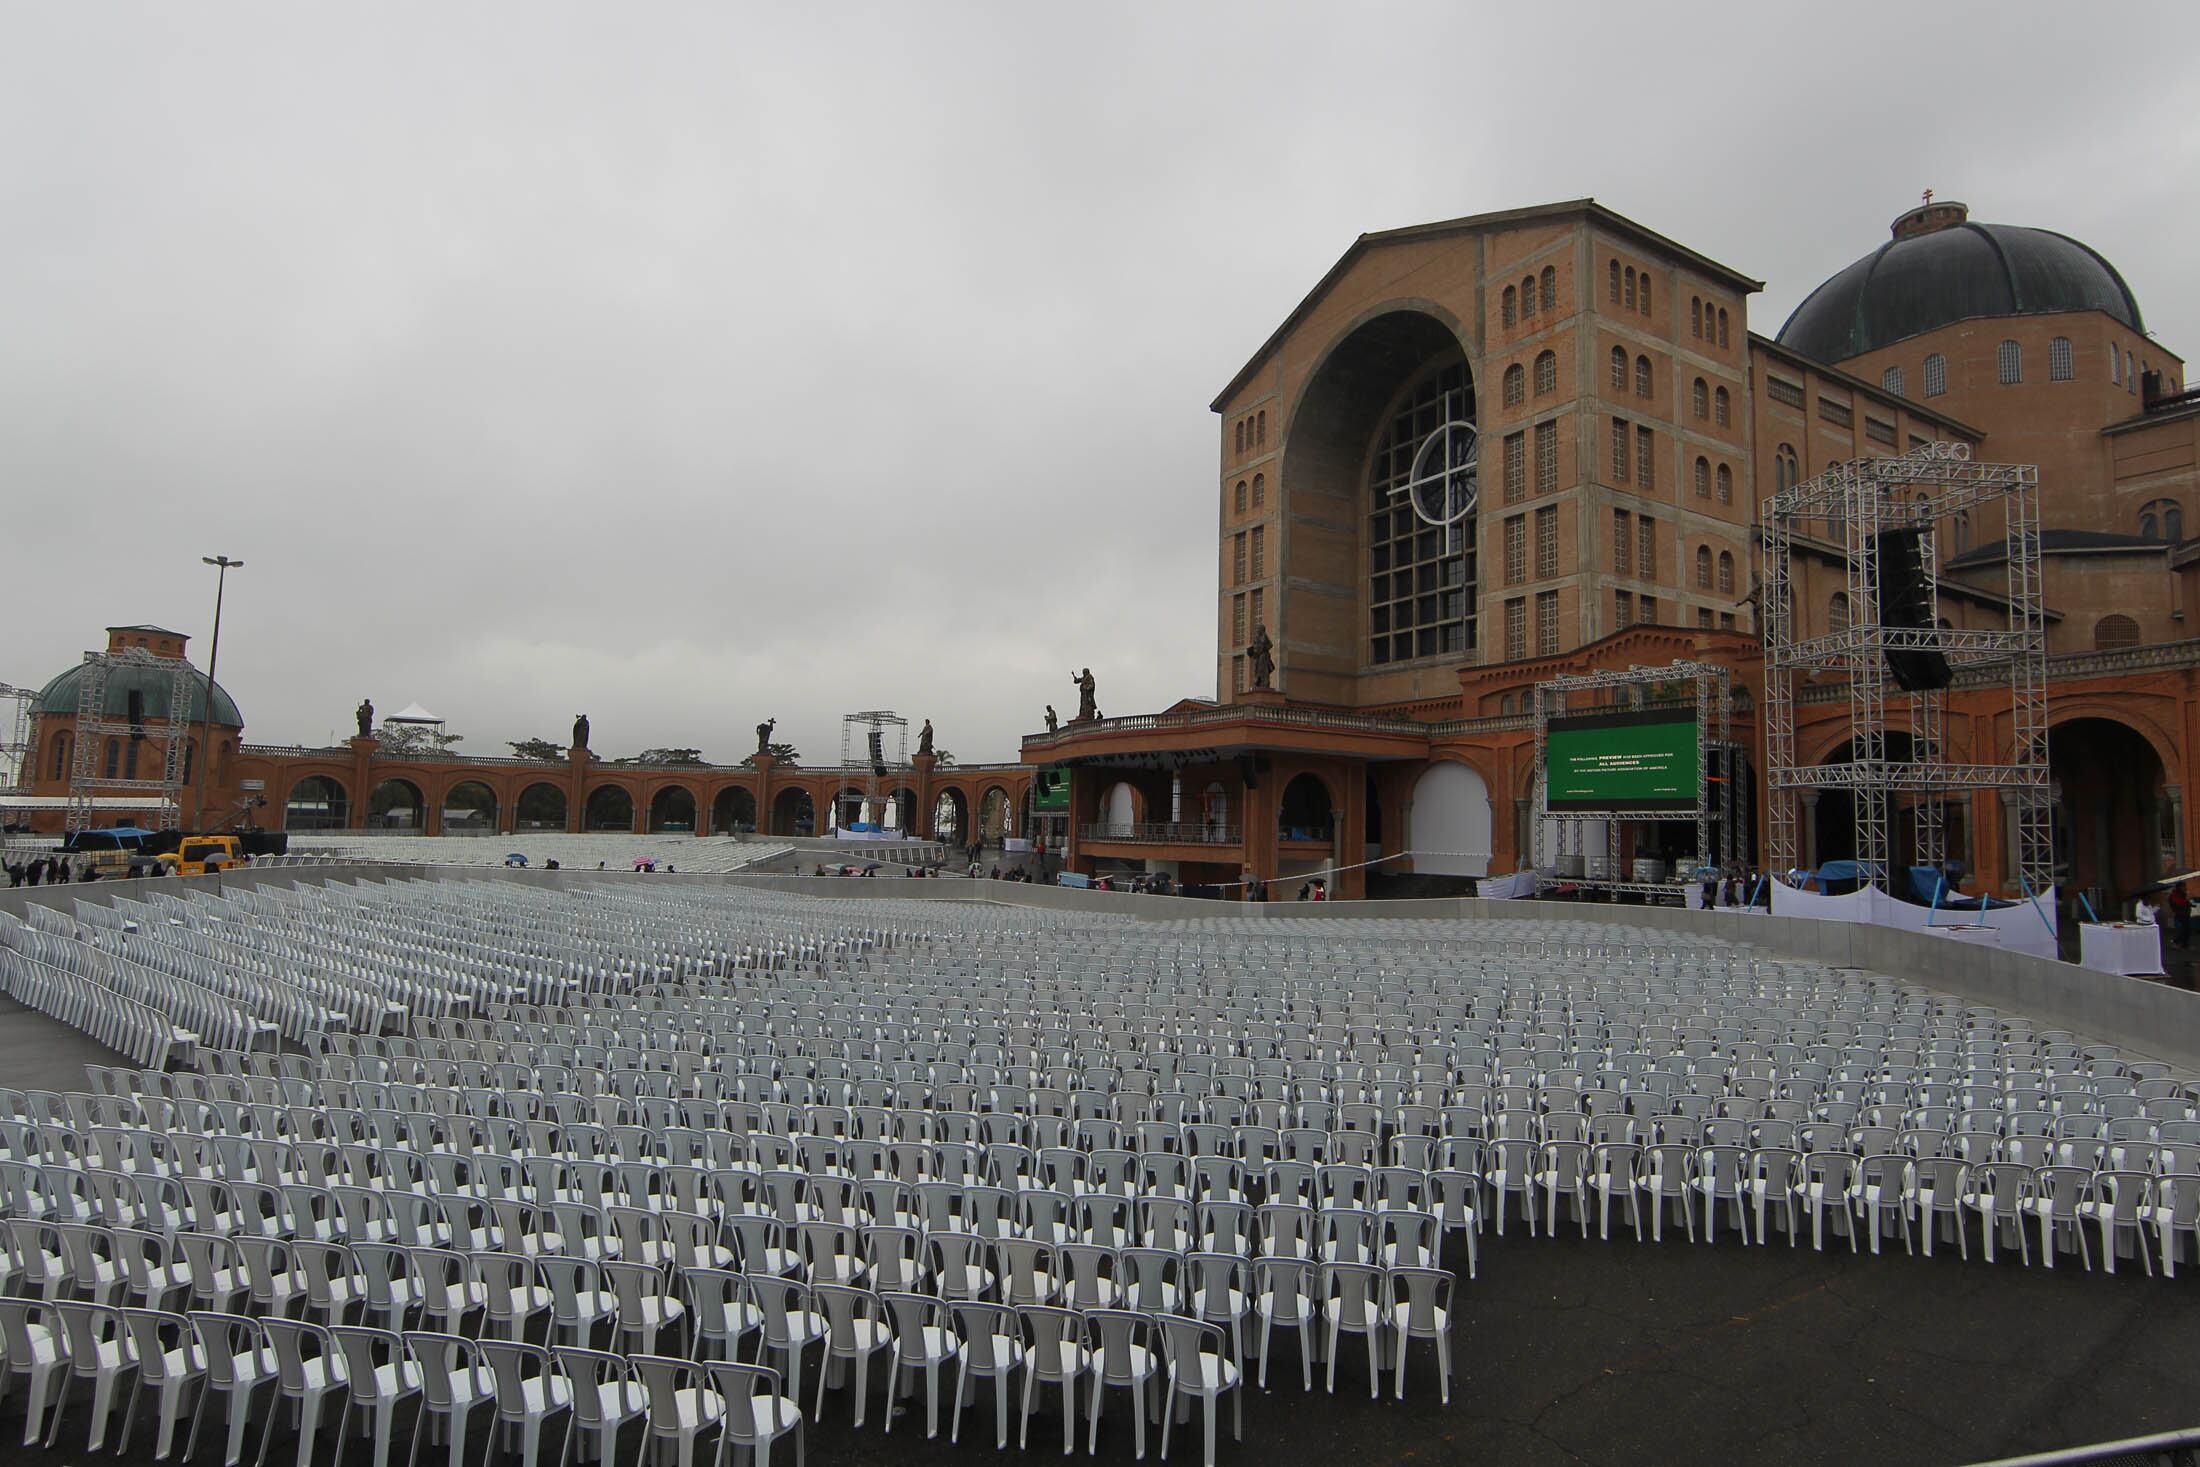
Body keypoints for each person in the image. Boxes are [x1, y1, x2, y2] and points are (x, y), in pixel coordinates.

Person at [2169, 883, 2192, 948]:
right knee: (2185, 928)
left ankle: (2184, 944)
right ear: (2179, 887)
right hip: (2180, 913)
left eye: (2185, 886)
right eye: (2183, 886)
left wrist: (2189, 903)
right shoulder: (2175, 894)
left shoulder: (2183, 894)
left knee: (2188, 929)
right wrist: (2186, 899)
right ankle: (2175, 941)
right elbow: (2179, 903)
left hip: (2186, 913)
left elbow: (2186, 902)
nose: (2185, 888)